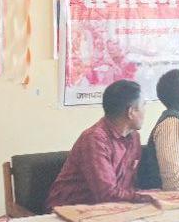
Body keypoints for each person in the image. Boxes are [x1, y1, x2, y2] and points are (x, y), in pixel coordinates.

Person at [46, 79, 145, 209]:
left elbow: (127, 186)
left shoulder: (133, 137)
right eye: (143, 106)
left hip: (112, 209)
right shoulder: (95, 139)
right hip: (71, 210)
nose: (145, 111)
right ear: (131, 112)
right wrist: (146, 197)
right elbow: (106, 194)